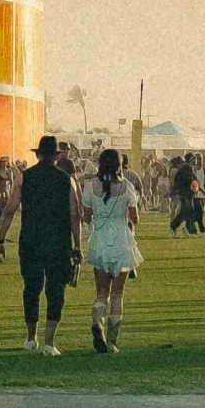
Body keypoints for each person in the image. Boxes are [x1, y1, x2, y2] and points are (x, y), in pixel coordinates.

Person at [19, 136, 79, 354]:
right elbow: (75, 214)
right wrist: (78, 244)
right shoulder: (66, 180)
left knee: (31, 288)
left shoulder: (25, 177)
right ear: (57, 156)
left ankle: (30, 337)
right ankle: (49, 342)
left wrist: (0, 239)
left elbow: (9, 208)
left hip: (30, 239)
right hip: (58, 240)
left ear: (38, 154)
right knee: (56, 290)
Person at [79, 150, 140, 353]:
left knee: (101, 292)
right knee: (117, 293)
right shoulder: (127, 187)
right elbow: (135, 217)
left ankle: (98, 321)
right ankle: (113, 339)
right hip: (121, 238)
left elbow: (86, 216)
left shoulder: (90, 187)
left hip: (100, 237)